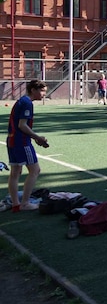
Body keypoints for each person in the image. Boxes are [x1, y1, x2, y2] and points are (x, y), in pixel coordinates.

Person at [3, 80, 49, 213]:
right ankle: (25, 203)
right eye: (42, 91)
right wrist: (38, 138)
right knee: (35, 170)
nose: (44, 94)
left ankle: (16, 204)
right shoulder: (27, 103)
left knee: (15, 172)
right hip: (22, 142)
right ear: (33, 90)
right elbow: (22, 125)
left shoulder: (21, 101)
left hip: (12, 140)